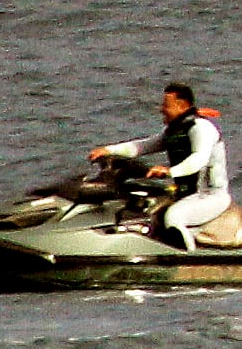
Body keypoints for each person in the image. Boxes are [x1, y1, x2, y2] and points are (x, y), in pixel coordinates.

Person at [95, 81, 229, 248]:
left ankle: (187, 262)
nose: (161, 109)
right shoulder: (176, 130)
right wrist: (108, 150)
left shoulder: (201, 128)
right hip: (187, 194)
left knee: (174, 217)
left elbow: (198, 160)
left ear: (181, 106)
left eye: (166, 105)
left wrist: (168, 172)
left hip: (210, 196)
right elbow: (144, 146)